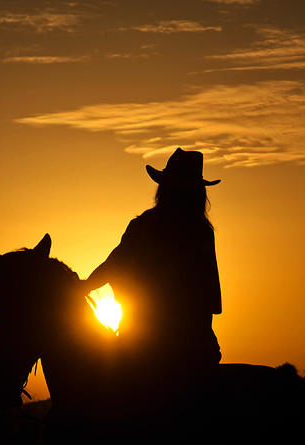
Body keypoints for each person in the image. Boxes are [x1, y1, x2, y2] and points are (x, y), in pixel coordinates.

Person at [82, 148, 222, 381]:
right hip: (197, 346)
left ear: (164, 189)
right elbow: (210, 302)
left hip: (144, 344)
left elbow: (113, 265)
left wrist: (80, 287)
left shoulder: (144, 226)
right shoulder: (202, 232)